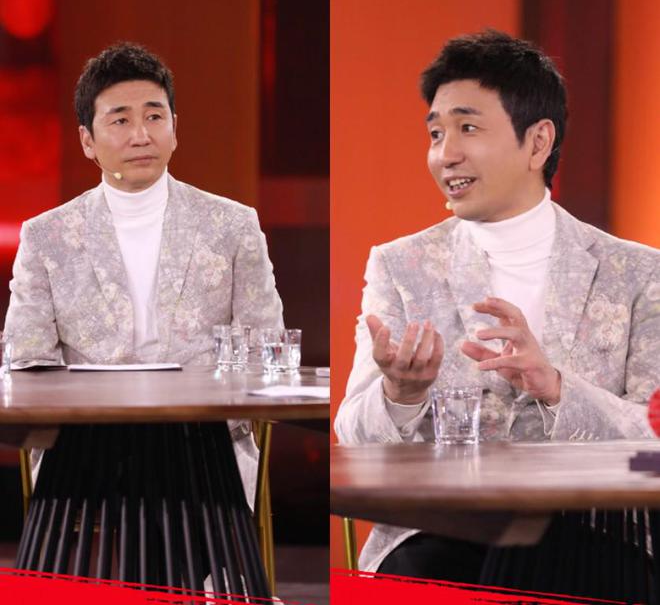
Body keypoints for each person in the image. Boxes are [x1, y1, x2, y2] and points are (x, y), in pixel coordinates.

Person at [335, 30, 660, 577]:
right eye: (436, 133)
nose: (446, 154)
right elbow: (352, 438)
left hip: (597, 531)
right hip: (441, 530)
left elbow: (654, 441)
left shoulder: (639, 272)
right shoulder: (400, 265)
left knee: (529, 555)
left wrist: (556, 388)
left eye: (467, 128)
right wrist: (400, 394)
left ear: (537, 143)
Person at [3, 42, 283, 502]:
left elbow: (263, 349)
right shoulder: (46, 237)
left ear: (175, 129)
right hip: (86, 445)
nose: (140, 135)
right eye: (120, 121)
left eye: (154, 116)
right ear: (87, 141)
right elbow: (27, 363)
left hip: (204, 442)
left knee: (190, 479)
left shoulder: (232, 225)